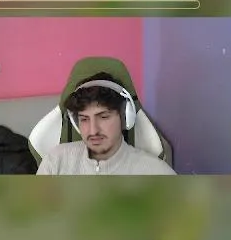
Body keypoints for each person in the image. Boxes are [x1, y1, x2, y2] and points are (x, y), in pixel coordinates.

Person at [37, 72, 176, 175]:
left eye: (103, 117)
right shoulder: (55, 162)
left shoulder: (156, 172)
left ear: (125, 117)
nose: (93, 131)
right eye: (84, 119)